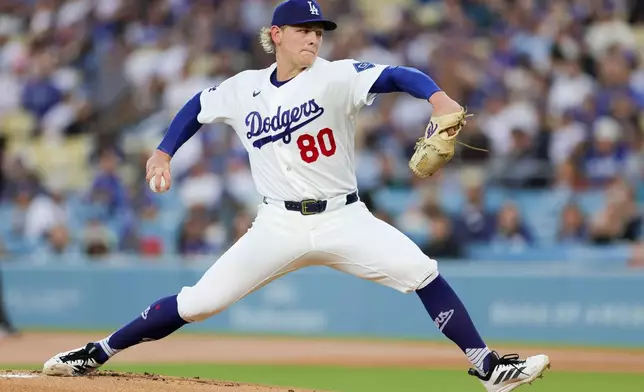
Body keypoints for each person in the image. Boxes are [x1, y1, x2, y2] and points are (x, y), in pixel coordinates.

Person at [42, 1, 549, 390]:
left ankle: (486, 366)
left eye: (319, 31)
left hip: (345, 219)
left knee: (423, 272)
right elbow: (197, 105)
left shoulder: (336, 76)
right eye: (305, 30)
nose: (314, 38)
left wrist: (438, 98)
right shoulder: (243, 88)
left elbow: (397, 75)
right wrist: (163, 151)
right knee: (199, 302)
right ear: (276, 35)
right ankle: (98, 352)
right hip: (277, 226)